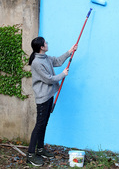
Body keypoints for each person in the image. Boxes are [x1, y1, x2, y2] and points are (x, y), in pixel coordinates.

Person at [27, 36, 77, 166]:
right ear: (41, 47)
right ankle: (31, 154)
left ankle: (40, 149)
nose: (47, 44)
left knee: (44, 124)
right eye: (46, 43)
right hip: (42, 98)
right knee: (39, 125)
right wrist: (63, 75)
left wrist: (70, 51)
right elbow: (48, 79)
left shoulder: (46, 58)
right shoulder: (37, 63)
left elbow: (58, 61)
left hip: (49, 96)